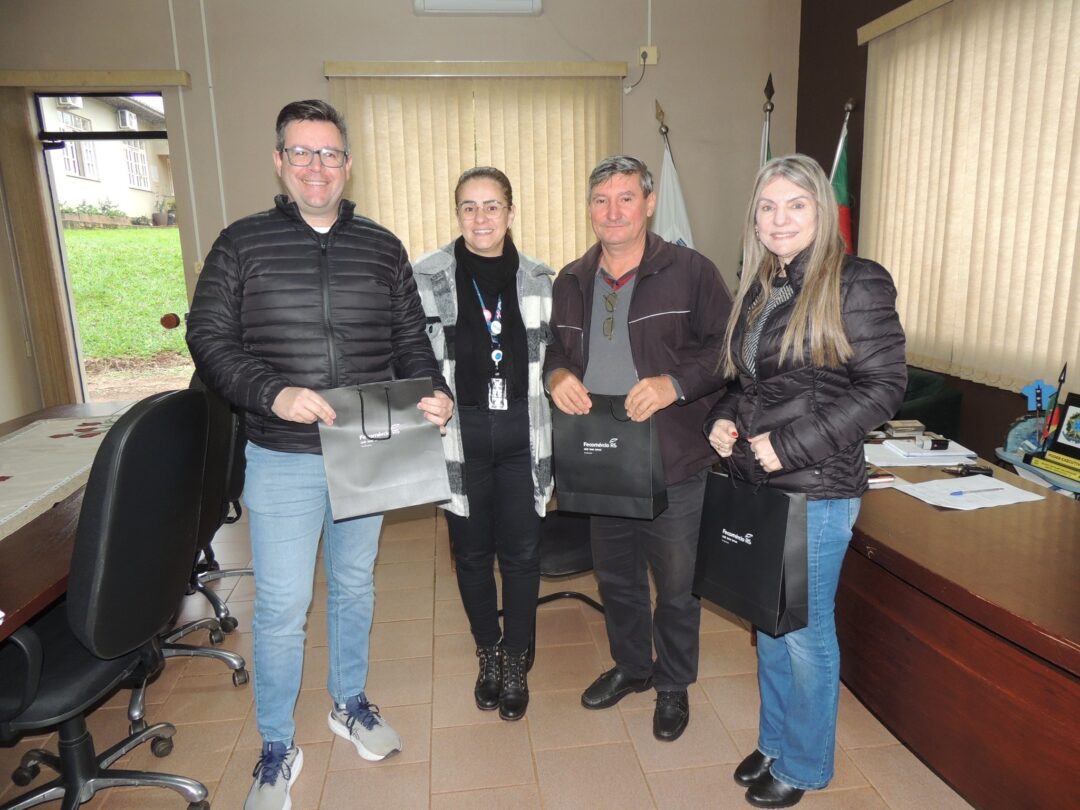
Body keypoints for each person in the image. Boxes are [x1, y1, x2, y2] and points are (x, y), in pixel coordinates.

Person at [186, 99, 454, 810]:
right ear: (279, 161)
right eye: (301, 152)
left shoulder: (382, 247)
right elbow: (208, 337)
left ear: (347, 164)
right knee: (282, 607)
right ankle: (277, 744)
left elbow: (410, 338)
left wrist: (435, 391)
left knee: (356, 586)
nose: (316, 166)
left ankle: (349, 702)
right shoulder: (241, 244)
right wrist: (272, 393)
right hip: (283, 456)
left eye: (329, 153)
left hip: (367, 449)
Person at [705, 154, 906, 808]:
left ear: (821, 210)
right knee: (769, 623)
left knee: (804, 636)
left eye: (796, 204)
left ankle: (805, 764)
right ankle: (775, 742)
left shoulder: (856, 282)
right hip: (763, 483)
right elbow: (750, 383)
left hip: (818, 487)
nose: (780, 218)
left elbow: (884, 388)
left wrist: (788, 446)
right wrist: (723, 419)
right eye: (768, 206)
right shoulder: (762, 285)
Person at [545, 154, 732, 742]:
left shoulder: (691, 271)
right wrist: (555, 376)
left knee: (675, 582)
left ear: (649, 203)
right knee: (616, 576)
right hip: (602, 456)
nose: (613, 211)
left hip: (673, 456)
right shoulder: (572, 279)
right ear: (589, 208)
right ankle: (632, 665)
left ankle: (673, 683)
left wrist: (674, 383)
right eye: (601, 200)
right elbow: (555, 351)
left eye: (626, 198)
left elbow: (727, 349)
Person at [413, 166, 554, 721]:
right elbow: (408, 351)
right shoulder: (426, 277)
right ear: (457, 214)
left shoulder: (540, 279)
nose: (481, 217)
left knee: (522, 554)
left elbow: (557, 359)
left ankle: (516, 658)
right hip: (459, 433)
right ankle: (488, 653)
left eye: (492, 206)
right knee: (471, 555)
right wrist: (428, 388)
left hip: (524, 432)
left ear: (511, 212)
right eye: (469, 207)